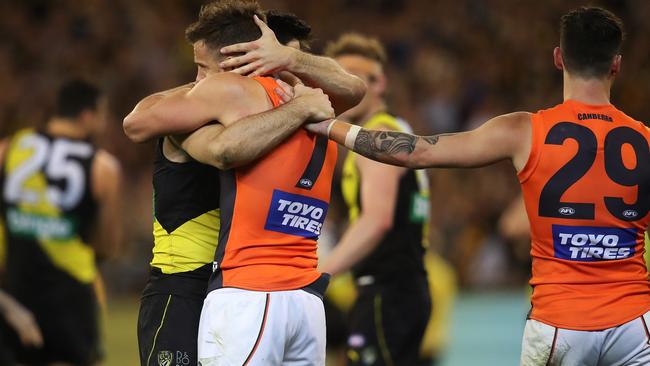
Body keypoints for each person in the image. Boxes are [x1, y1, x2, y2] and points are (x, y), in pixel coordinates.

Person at [309, 6, 650, 365]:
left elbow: (417, 152)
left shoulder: (522, 131)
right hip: (634, 322)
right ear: (617, 64)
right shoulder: (645, 140)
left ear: (558, 58)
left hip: (559, 324)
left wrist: (331, 126)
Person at [123, 1, 364, 365]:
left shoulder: (275, 99)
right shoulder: (202, 111)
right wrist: (298, 106)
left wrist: (290, 67)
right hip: (183, 285)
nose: (200, 79)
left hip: (239, 282)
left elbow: (352, 87)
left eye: (202, 68)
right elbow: (138, 124)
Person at [315, 33, 431, 366]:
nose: (346, 84)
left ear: (379, 82)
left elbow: (376, 219)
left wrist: (320, 275)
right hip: (401, 288)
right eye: (340, 75)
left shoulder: (377, 138)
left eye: (356, 75)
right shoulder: (395, 129)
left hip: (387, 292)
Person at [0, 79, 122, 365]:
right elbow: (108, 246)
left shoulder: (9, 149)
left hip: (14, 291)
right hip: (72, 296)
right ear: (87, 116)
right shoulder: (102, 166)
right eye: (103, 116)